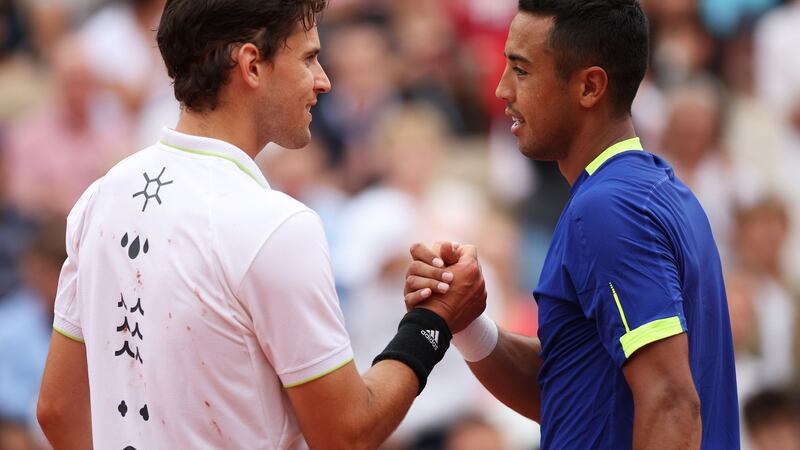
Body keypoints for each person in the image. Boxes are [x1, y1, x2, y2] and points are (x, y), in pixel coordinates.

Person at [35, 1, 486, 449]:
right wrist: (432, 323)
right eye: (309, 58)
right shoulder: (276, 226)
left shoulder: (100, 197)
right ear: (252, 65)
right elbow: (347, 433)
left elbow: (57, 410)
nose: (324, 80)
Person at [405, 0, 739, 448]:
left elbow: (671, 401)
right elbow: (572, 395)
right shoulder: (644, 193)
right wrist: (465, 321)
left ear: (589, 87)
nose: (502, 90)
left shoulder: (609, 209)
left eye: (521, 70)